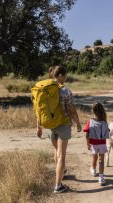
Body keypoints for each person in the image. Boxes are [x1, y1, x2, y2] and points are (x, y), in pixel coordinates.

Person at [36, 66, 82, 194]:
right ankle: (58, 186)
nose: (66, 78)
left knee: (57, 151)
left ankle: (61, 175)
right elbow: (72, 110)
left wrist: (38, 127)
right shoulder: (65, 91)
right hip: (63, 125)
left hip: (49, 126)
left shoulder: (44, 89)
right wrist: (78, 123)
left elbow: (39, 109)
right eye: (65, 75)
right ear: (60, 76)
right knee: (62, 155)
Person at [83, 102, 109, 186]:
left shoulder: (90, 121)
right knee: (101, 160)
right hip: (102, 144)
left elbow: (87, 134)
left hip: (94, 144)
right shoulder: (104, 122)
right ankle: (101, 177)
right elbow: (107, 132)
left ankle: (93, 170)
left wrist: (88, 144)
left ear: (93, 111)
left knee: (94, 157)